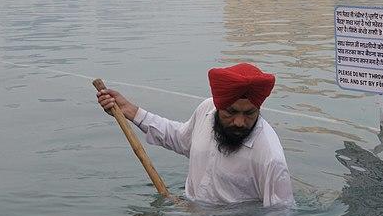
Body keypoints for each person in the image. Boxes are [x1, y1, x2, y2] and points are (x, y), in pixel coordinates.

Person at [97, 63, 294, 208]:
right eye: (231, 112)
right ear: (217, 106)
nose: (239, 122)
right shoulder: (206, 110)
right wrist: (131, 111)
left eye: (249, 113)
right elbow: (181, 139)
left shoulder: (270, 158)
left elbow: (278, 215)